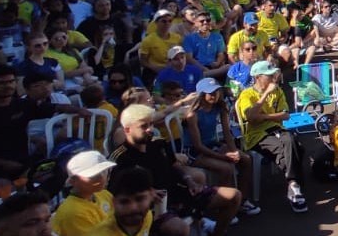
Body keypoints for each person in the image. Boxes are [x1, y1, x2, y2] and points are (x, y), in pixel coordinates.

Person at [109, 104, 241, 234]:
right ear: (127, 130)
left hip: (178, 192)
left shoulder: (159, 143)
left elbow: (174, 164)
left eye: (151, 124)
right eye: (144, 126)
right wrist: (147, 192)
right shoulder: (120, 158)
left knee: (234, 196)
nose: (150, 129)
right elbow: (115, 193)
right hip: (153, 207)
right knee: (179, 228)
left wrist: (189, 180)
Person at [236, 60, 308, 213]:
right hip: (256, 135)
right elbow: (251, 118)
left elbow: (286, 115)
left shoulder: (278, 91)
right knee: (294, 149)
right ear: (258, 77)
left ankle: (293, 184)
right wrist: (266, 95)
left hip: (277, 128)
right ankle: (295, 185)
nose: (272, 78)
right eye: (268, 75)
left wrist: (265, 116)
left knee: (291, 140)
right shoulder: (247, 95)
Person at [183, 78, 261, 216]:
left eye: (216, 91)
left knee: (246, 159)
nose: (214, 95)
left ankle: (242, 201)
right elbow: (198, 145)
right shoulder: (192, 115)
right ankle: (224, 208)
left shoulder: (221, 107)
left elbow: (227, 133)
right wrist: (223, 156)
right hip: (195, 152)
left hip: (212, 145)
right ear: (201, 94)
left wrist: (233, 151)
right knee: (226, 168)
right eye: (210, 93)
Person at [50, 150, 119, 236]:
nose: (102, 178)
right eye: (94, 175)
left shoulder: (104, 194)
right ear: (73, 181)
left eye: (104, 171)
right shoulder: (73, 213)